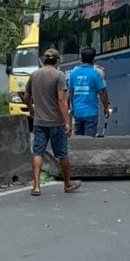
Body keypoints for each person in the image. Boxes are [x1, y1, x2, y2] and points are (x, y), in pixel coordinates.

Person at [23, 48, 80, 196]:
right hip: (56, 122)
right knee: (62, 154)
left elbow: (26, 96)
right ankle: (67, 184)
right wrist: (67, 122)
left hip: (39, 122)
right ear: (57, 61)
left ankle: (36, 186)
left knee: (37, 153)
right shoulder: (59, 75)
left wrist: (31, 110)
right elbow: (61, 99)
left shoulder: (34, 75)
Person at [68, 46, 109, 137]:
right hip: (91, 112)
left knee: (78, 140)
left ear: (81, 59)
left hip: (78, 112)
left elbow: (71, 92)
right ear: (94, 59)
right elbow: (102, 92)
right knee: (89, 142)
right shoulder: (95, 74)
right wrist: (106, 107)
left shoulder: (74, 73)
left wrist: (72, 107)